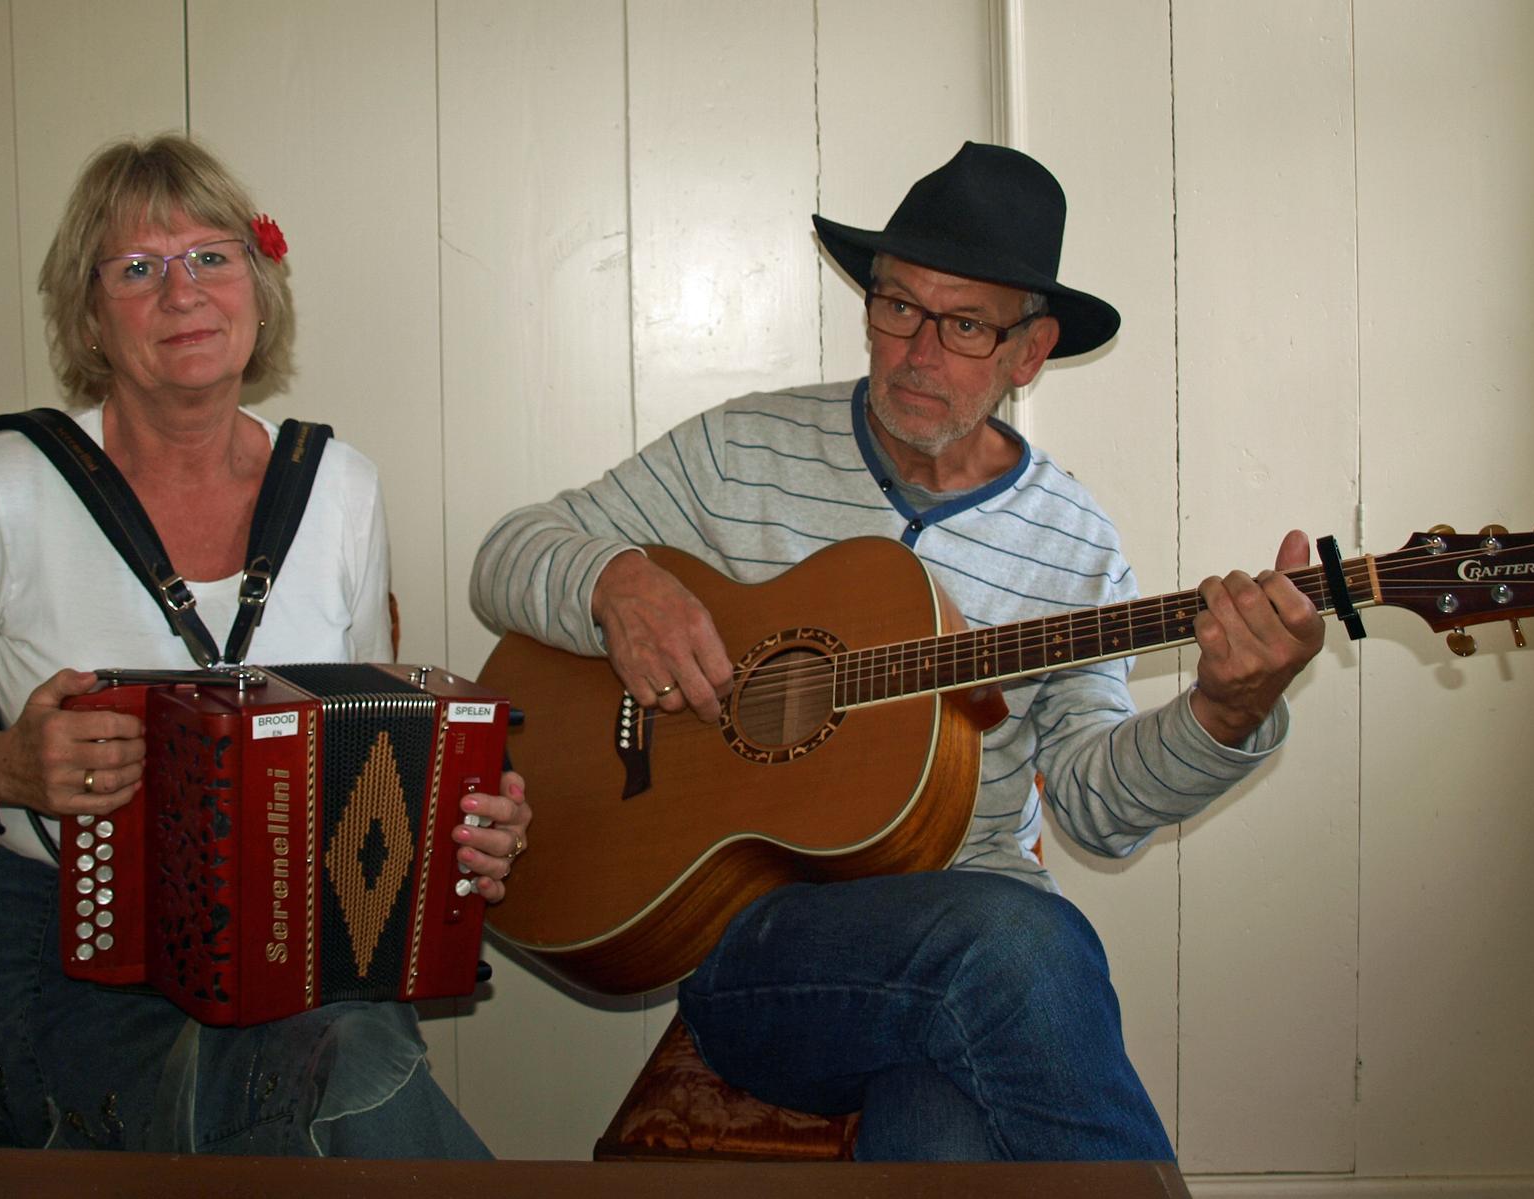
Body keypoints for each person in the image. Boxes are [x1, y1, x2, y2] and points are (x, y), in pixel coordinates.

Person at [469, 142, 1322, 1161]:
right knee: (1021, 945)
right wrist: (615, 582)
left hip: (975, 950)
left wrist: (1225, 712)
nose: (919, 351)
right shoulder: (742, 449)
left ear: (1030, 351)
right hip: (767, 949)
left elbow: (1095, 805)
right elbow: (507, 554)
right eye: (899, 306)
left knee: (949, 1125)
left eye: (965, 324)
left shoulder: (1074, 542)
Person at [0, 134, 530, 1157]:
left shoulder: (341, 486)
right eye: (137, 268)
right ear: (89, 316)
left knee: (337, 1058)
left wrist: (463, 828)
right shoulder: (2, 486)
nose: (182, 292)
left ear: (258, 286)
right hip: (78, 962)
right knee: (342, 1075)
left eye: (209, 256)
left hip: (300, 947)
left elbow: (374, 739)